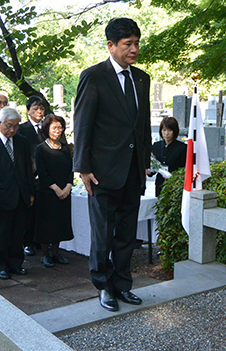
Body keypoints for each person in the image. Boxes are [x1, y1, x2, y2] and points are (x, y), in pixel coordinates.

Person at [73, 18, 151, 312]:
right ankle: (103, 285)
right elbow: (82, 124)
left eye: (136, 43)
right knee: (103, 233)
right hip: (102, 171)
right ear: (111, 46)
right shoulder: (93, 77)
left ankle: (122, 284)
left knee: (127, 233)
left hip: (133, 170)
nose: (134, 49)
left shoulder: (142, 78)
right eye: (128, 44)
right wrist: (83, 167)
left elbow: (142, 124)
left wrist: (144, 161)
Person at [0, 107, 34, 280]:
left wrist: (30, 192)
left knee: (18, 232)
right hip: (1, 197)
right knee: (1, 233)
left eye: (16, 126)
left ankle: (16, 263)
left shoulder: (22, 141)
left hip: (20, 195)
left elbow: (28, 169)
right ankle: (1, 265)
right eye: (9, 126)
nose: (12, 130)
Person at [35, 114, 73, 268]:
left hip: (64, 192)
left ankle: (56, 252)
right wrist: (57, 189)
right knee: (46, 224)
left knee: (60, 223)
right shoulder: (41, 149)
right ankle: (45, 254)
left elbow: (70, 169)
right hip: (47, 193)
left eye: (60, 127)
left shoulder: (65, 148)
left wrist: (68, 187)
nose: (58, 130)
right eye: (54, 127)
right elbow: (42, 172)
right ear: (46, 129)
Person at [18, 95, 47, 256]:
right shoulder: (22, 129)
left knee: (42, 211)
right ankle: (27, 242)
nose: (39, 112)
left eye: (41, 108)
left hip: (45, 176)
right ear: (28, 111)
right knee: (28, 212)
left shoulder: (47, 127)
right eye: (35, 109)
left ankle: (40, 241)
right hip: (29, 175)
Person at [151, 117, 187, 196]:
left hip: (175, 184)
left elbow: (184, 168)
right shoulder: (156, 146)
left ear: (175, 131)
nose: (166, 133)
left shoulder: (182, 147)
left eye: (169, 130)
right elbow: (152, 169)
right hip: (160, 184)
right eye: (164, 130)